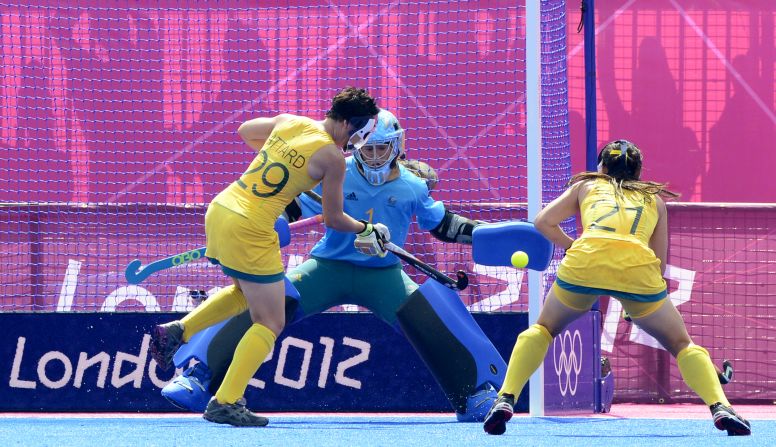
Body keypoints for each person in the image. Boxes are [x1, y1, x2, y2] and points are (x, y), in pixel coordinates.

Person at [160, 109, 507, 422]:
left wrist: (493, 235)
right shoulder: (336, 170)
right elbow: (291, 207)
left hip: (383, 276)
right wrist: (275, 221)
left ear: (396, 147)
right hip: (327, 268)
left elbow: (444, 225)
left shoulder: (412, 187)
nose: (372, 157)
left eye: (380, 149)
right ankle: (196, 374)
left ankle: (474, 393)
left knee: (426, 315)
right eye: (367, 149)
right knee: (268, 301)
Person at [149, 87, 387, 427]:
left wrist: (283, 161)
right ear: (350, 124)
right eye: (361, 132)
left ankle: (176, 331)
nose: (359, 139)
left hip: (221, 209)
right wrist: (365, 227)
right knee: (271, 320)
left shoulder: (293, 122)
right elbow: (334, 219)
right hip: (251, 226)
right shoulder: (334, 159)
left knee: (244, 294)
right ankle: (226, 401)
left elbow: (245, 131)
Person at [483, 140, 751, 437]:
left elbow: (543, 222)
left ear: (601, 167)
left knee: (544, 329)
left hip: (582, 265)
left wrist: (575, 248)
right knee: (681, 344)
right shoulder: (655, 201)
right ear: (638, 171)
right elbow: (658, 265)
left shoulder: (586, 186)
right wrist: (635, 304)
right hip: (639, 275)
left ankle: (505, 398)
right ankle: (720, 406)